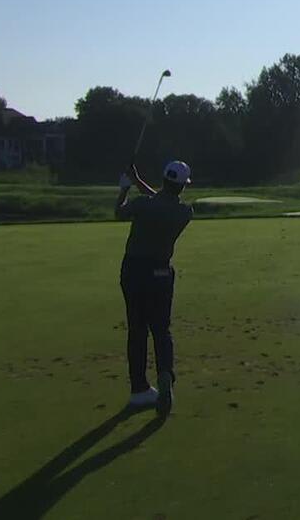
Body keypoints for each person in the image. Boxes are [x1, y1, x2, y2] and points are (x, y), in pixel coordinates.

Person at [116, 159, 195, 414]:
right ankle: (165, 375)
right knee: (161, 330)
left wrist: (125, 188)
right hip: (161, 273)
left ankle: (139, 390)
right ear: (182, 187)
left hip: (134, 272)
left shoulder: (143, 205)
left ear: (163, 180)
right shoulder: (184, 212)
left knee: (137, 331)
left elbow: (118, 212)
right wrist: (139, 182)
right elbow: (164, 202)